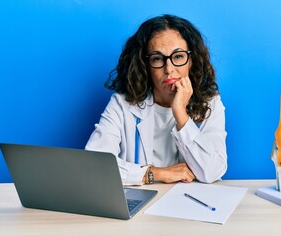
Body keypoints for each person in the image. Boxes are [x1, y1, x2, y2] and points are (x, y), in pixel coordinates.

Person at [85, 14, 227, 185]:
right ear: (145, 65)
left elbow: (212, 171)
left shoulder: (211, 104)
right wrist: (156, 174)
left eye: (178, 56)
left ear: (192, 61)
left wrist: (180, 114)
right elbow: (94, 165)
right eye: (158, 58)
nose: (169, 69)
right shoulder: (122, 103)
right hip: (141, 202)